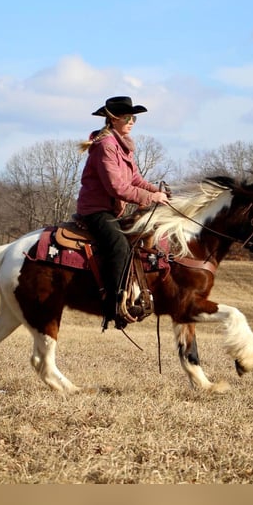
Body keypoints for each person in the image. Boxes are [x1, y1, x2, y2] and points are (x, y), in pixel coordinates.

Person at [76, 96, 170, 330]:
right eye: (128, 117)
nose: (132, 122)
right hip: (96, 211)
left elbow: (135, 179)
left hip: (112, 211)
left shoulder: (122, 145)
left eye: (134, 118)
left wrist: (157, 191)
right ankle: (114, 306)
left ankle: (133, 295)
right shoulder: (106, 145)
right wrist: (150, 198)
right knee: (120, 245)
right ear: (114, 119)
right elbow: (116, 187)